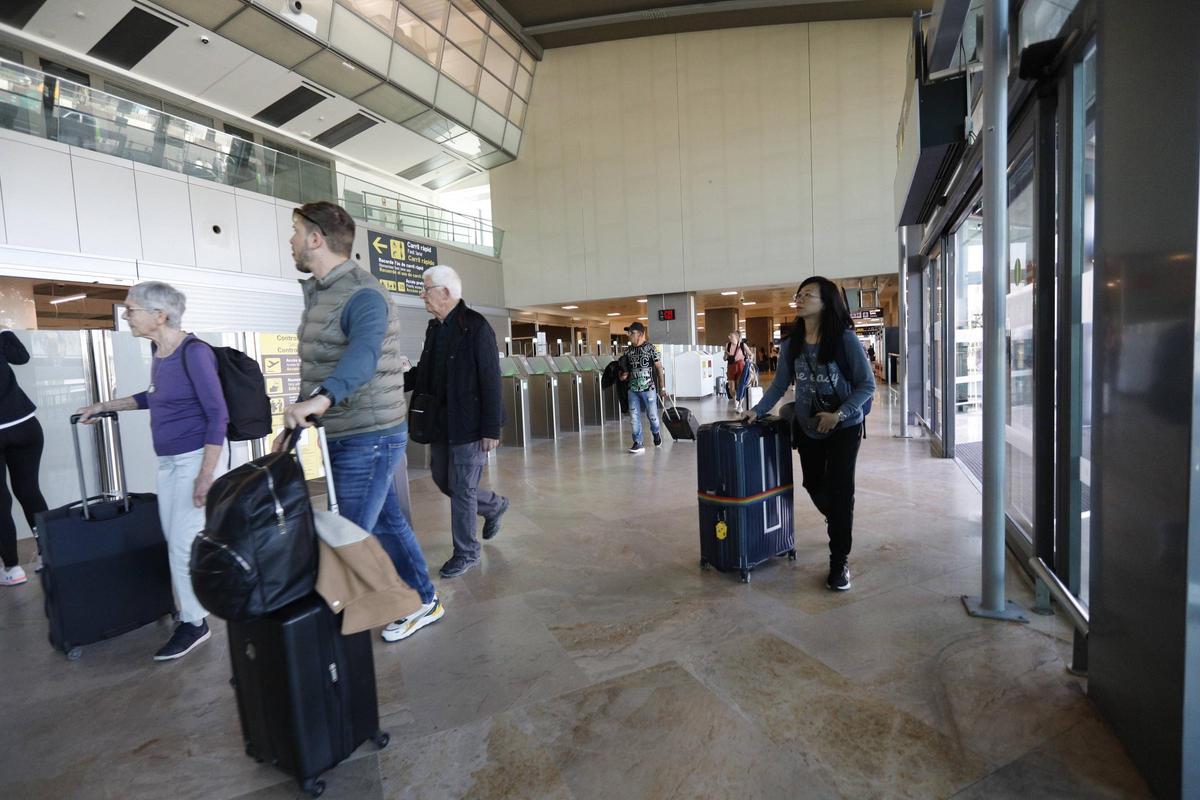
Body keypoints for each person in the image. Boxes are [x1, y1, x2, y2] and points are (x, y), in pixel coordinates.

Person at [277, 201, 442, 643]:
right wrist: (302, 410)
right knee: (387, 521)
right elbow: (322, 363)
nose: (290, 239)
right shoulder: (325, 291)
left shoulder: (362, 293)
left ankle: (324, 636)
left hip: (369, 435)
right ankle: (424, 600)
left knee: (347, 533)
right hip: (350, 430)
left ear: (316, 238)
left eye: (295, 231)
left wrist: (322, 399)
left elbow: (362, 357)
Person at [76, 282, 227, 660]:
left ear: (159, 315)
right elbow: (154, 396)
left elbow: (217, 414)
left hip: (195, 460)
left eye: (131, 309)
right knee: (176, 540)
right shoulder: (160, 350)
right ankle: (192, 612)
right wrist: (105, 405)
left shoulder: (195, 353)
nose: (126, 315)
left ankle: (195, 623)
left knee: (182, 544)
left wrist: (206, 474)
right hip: (170, 462)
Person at [744, 276, 875, 592]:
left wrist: (839, 414)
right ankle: (839, 517)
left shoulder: (845, 340)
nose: (800, 299)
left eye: (808, 295)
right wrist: (757, 410)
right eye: (798, 294)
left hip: (844, 426)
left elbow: (866, 386)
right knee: (813, 483)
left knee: (842, 490)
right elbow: (780, 384)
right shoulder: (792, 343)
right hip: (807, 426)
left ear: (826, 302)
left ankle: (839, 561)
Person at [406, 265, 509, 579]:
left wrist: (491, 428)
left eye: (427, 289)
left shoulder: (476, 327)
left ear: (446, 292)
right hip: (441, 423)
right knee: (444, 480)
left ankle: (467, 552)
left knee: (463, 489)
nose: (422, 295)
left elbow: (491, 379)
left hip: (470, 424)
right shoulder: (434, 329)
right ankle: (493, 506)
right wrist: (393, 380)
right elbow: (424, 371)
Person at [0, 329, 47, 587]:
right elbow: (22, 357)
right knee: (30, 491)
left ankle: (12, 568)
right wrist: (4, 332)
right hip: (25, 425)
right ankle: (48, 555)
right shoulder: (1, 339)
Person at [619, 321, 666, 454]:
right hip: (632, 389)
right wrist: (623, 376)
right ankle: (638, 442)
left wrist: (662, 388)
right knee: (634, 417)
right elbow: (626, 371)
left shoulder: (651, 348)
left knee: (653, 416)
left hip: (649, 389)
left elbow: (659, 368)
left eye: (631, 333)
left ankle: (656, 433)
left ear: (640, 334)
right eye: (628, 333)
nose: (629, 335)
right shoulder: (628, 351)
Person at [724, 332, 750, 406]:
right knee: (731, 388)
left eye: (731, 336)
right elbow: (724, 358)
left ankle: (740, 404)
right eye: (729, 336)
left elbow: (750, 354)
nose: (729, 337)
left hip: (740, 365)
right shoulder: (728, 345)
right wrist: (726, 354)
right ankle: (735, 400)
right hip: (731, 366)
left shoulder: (742, 345)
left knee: (739, 386)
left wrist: (749, 359)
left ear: (736, 337)